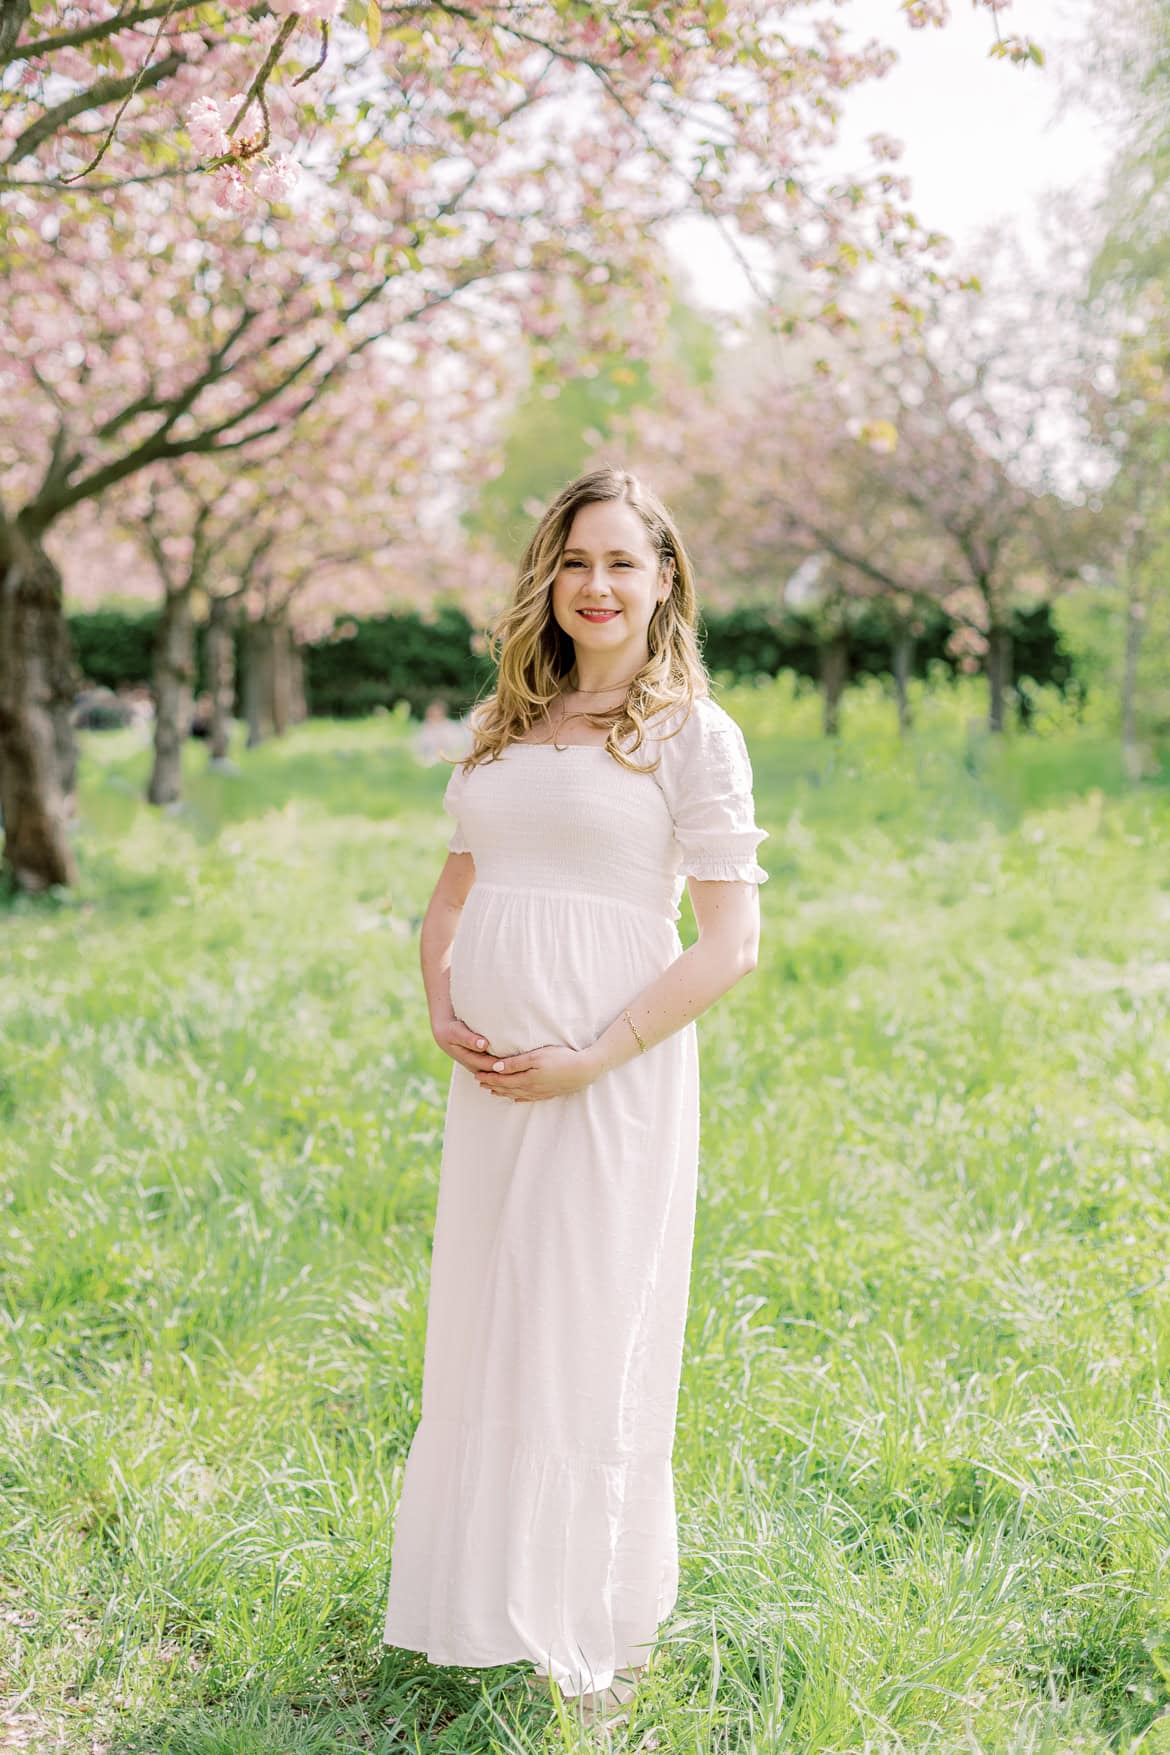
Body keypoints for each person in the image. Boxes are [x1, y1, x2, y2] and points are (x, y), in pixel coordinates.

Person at [382, 465, 769, 1731]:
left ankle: (596, 1635)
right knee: (494, 1326)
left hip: (610, 1080)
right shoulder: (507, 724)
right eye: (576, 561)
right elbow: (455, 893)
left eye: (623, 563)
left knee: (590, 1331)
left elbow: (727, 946)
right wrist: (443, 1006)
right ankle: (488, 1601)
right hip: (493, 1087)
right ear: (548, 578)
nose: (596, 586)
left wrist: (593, 1055)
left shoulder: (692, 736)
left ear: (665, 583)